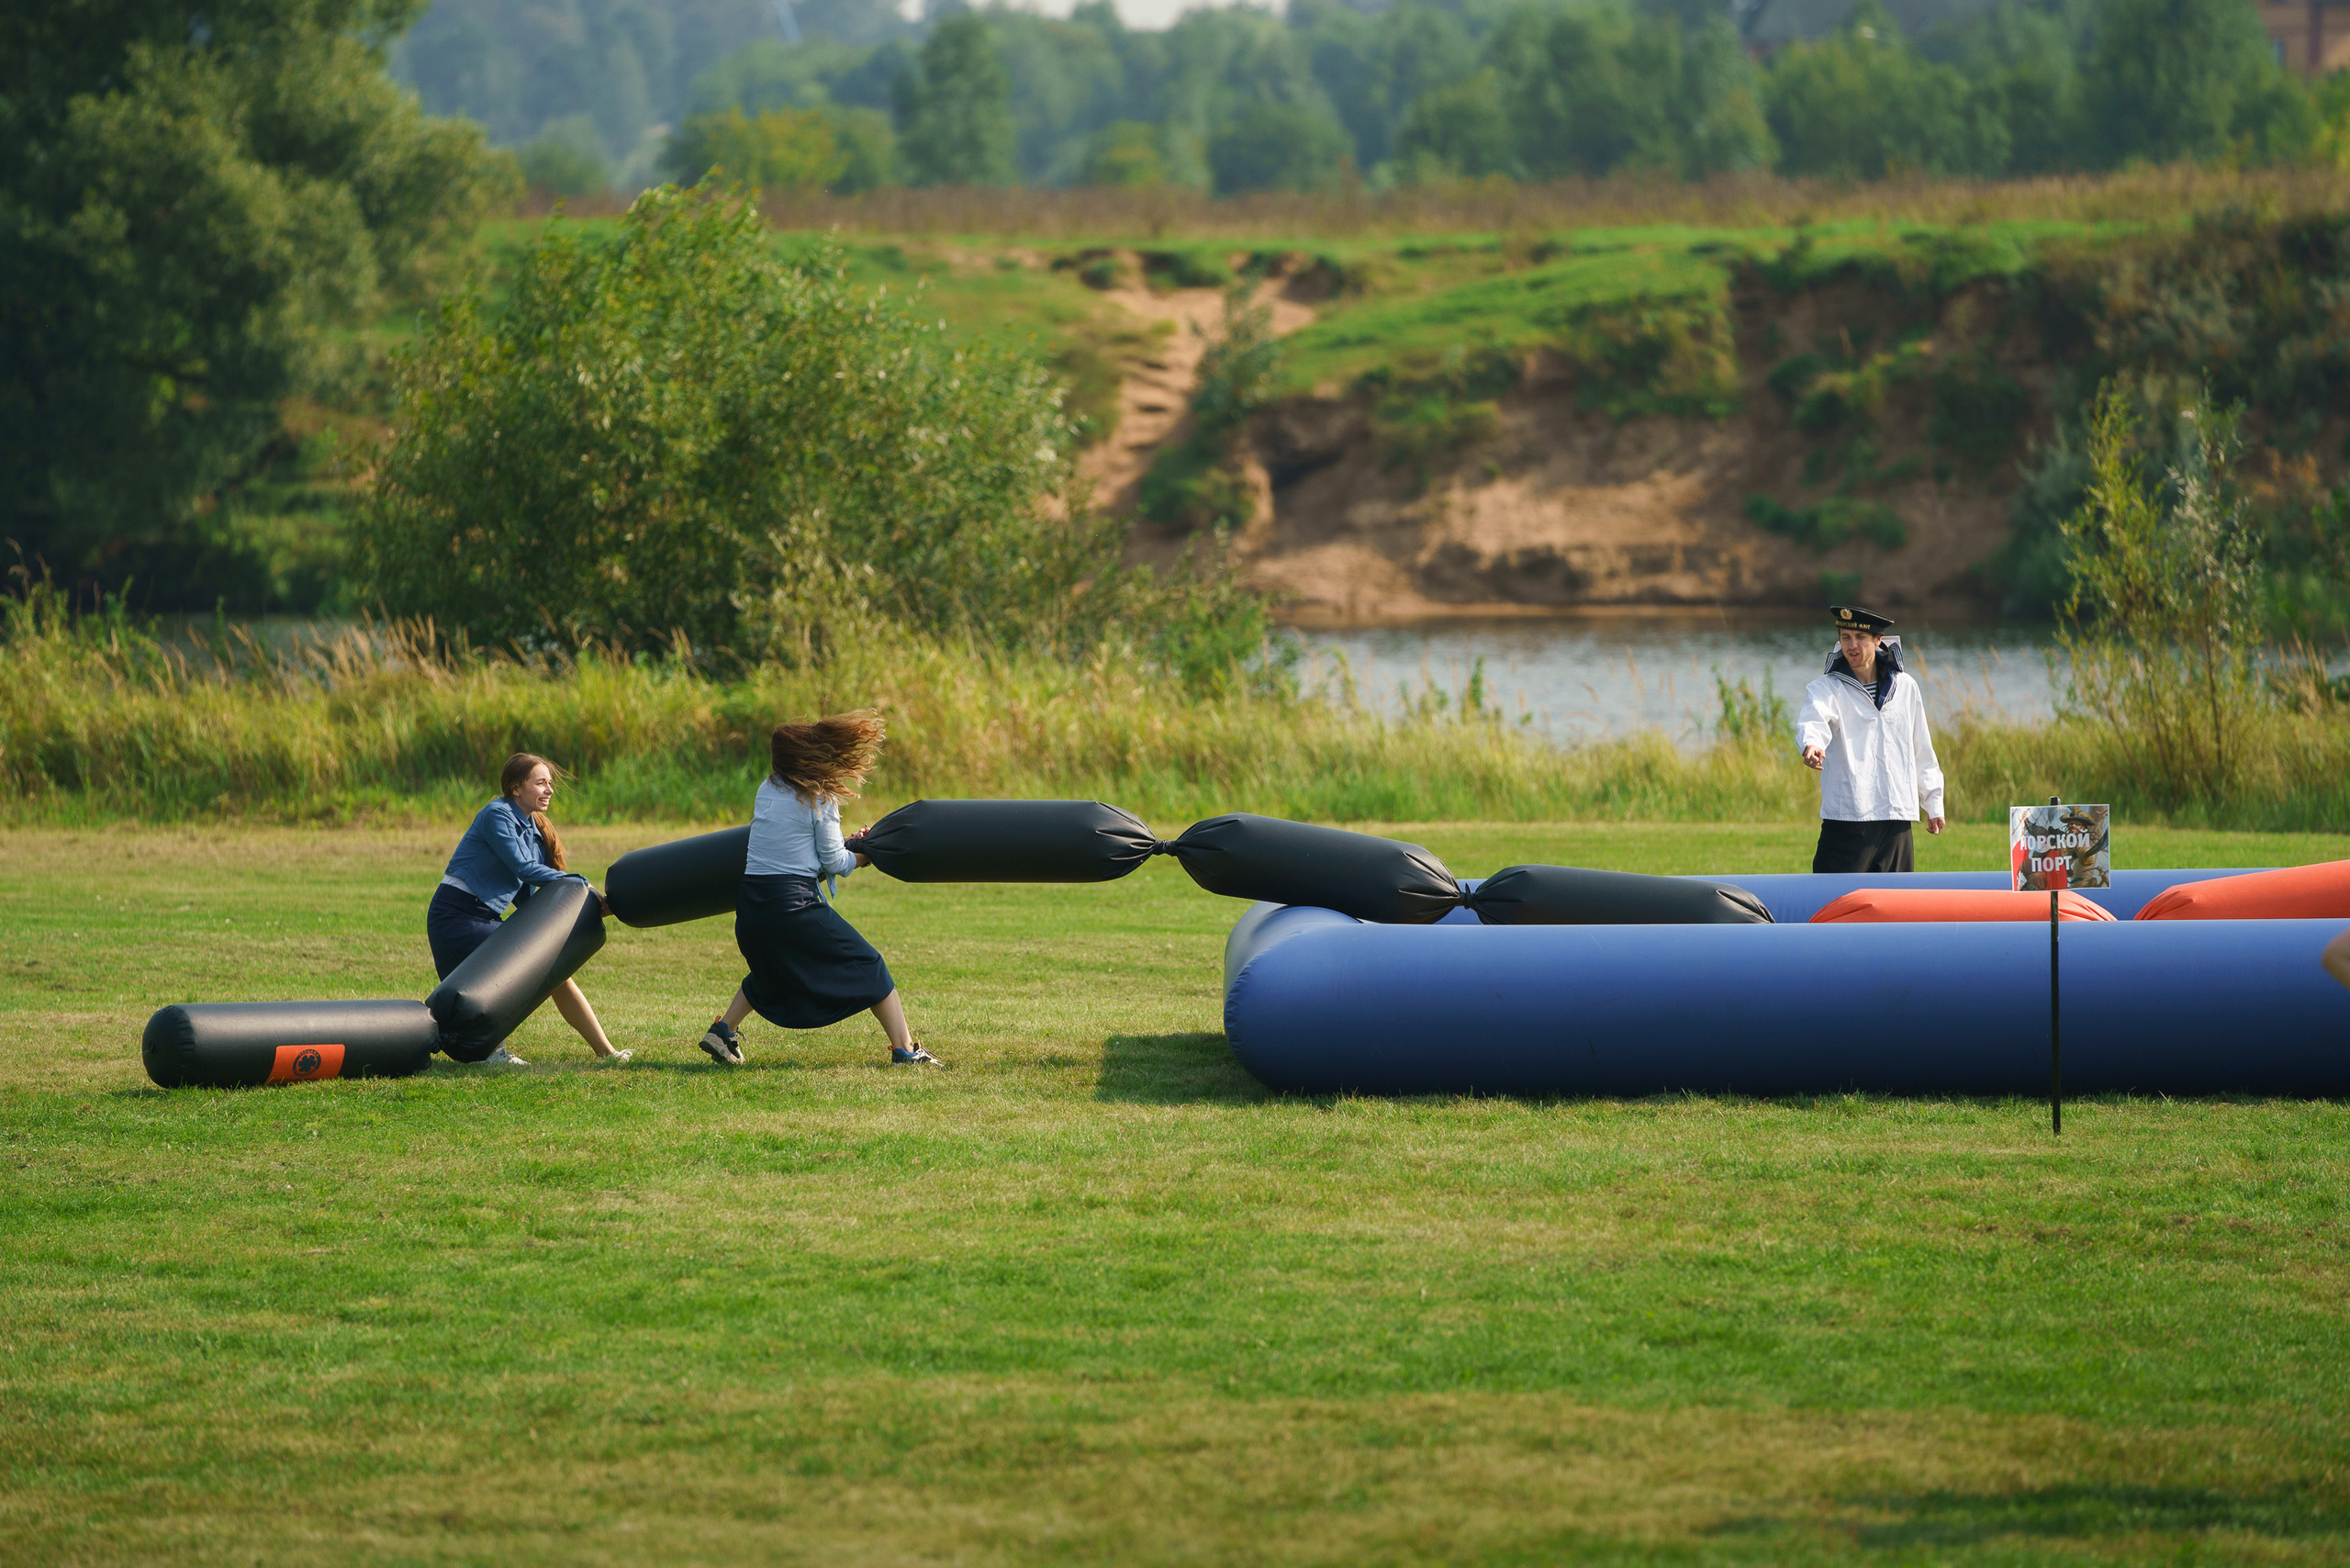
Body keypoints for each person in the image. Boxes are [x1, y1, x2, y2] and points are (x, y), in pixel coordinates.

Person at [697, 710, 939, 1069]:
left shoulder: (768, 789)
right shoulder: (819, 798)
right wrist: (863, 856)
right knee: (870, 964)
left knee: (770, 972)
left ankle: (722, 1031)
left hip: (751, 905)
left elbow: (797, 847)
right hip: (792, 906)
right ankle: (905, 1050)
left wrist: (847, 846)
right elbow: (836, 862)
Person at [428, 753, 629, 1066]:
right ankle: (493, 1054)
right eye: (541, 783)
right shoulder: (497, 814)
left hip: (483, 917)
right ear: (516, 787)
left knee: (556, 974)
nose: (549, 790)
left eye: (550, 783)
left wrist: (588, 908)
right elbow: (525, 869)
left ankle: (607, 1052)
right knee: (504, 981)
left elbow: (528, 902)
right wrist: (582, 886)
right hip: (456, 916)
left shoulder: (532, 829)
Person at [1796, 605, 1947, 874]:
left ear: (1878, 640)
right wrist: (1811, 745)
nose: (1852, 646)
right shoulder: (1827, 687)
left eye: (1860, 637)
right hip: (1848, 817)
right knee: (1833, 909)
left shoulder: (1906, 686)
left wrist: (1932, 801)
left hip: (1896, 819)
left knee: (1896, 910)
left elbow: (1921, 748)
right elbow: (1813, 718)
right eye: (1845, 637)